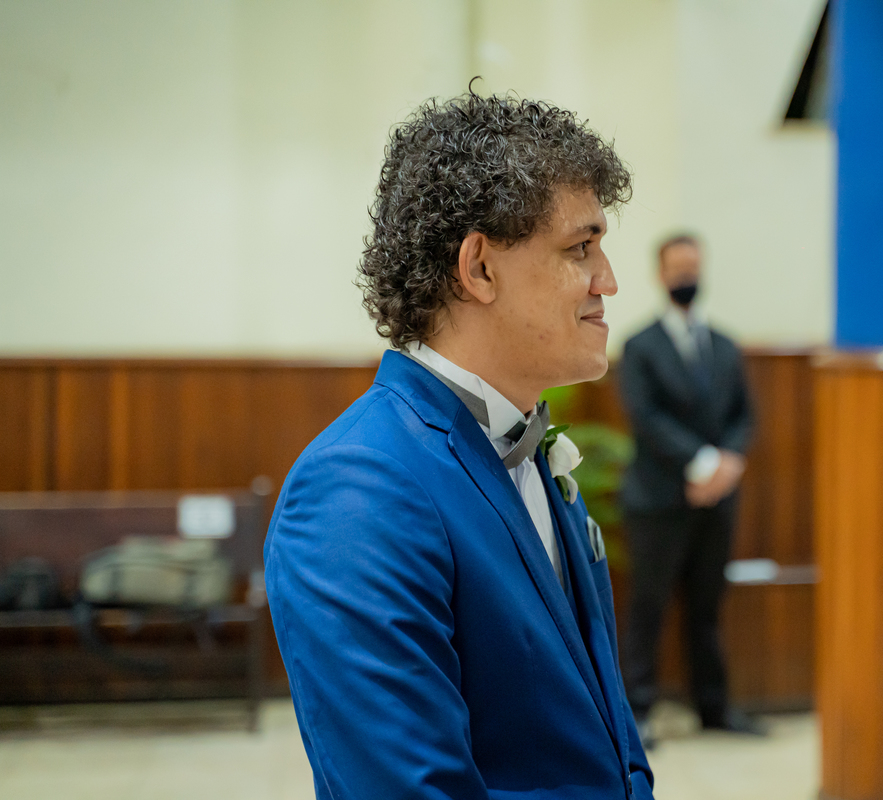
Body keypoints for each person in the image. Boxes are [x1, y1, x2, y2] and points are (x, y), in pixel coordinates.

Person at [264, 92, 654, 799]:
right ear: (478, 269)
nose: (609, 281)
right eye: (580, 248)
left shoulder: (528, 445)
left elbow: (605, 733)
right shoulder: (359, 485)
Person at [618, 234, 761, 741]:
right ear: (661, 274)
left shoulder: (724, 344)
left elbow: (744, 415)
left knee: (707, 608)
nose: (687, 276)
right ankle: (636, 712)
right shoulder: (640, 346)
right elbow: (646, 418)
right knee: (648, 607)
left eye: (693, 266)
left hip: (717, 500)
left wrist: (727, 464)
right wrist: (702, 463)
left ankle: (714, 709)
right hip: (658, 499)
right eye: (678, 267)